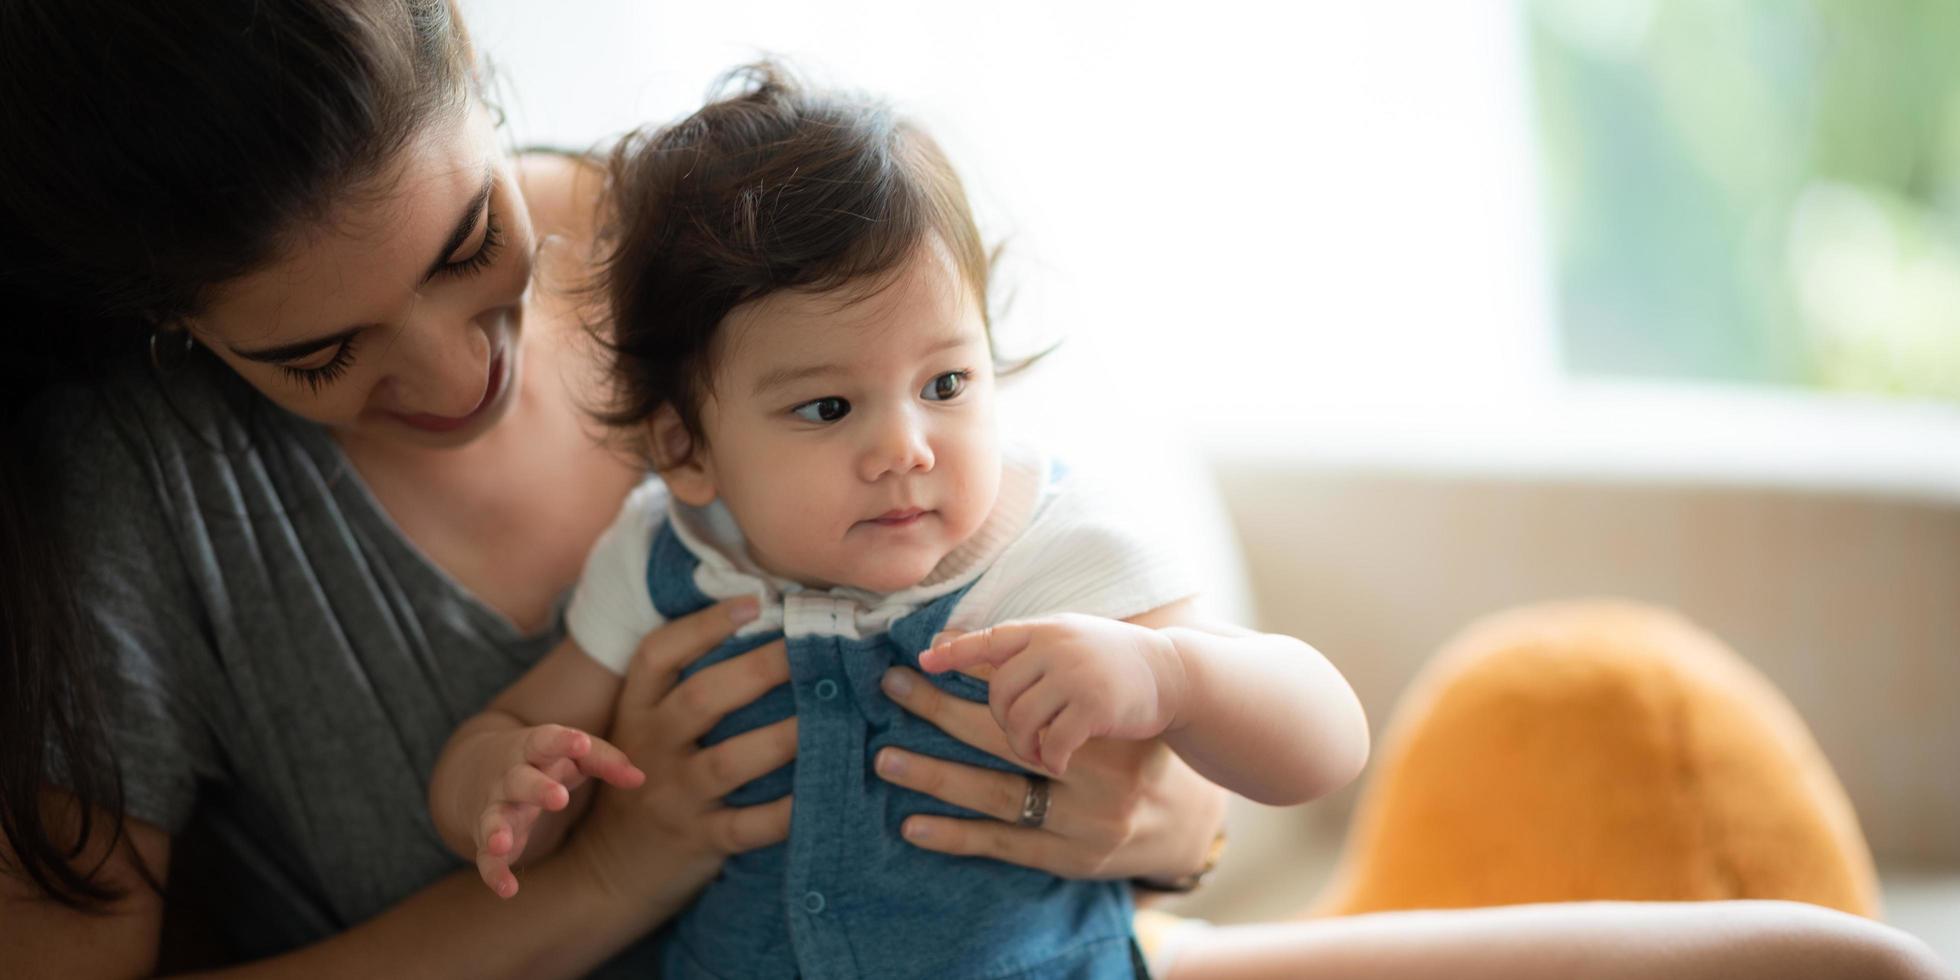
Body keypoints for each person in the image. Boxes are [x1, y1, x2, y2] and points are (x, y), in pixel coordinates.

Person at [0, 2, 1947, 979]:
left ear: (480, 91)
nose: (448, 374)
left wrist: (1147, 781)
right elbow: (508, 750)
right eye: (314, 355)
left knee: (1815, 965)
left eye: (460, 246)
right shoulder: (125, 507)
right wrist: (595, 869)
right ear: (172, 327)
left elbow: (1201, 759)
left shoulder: (754, 256)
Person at [424, 66, 1371, 979]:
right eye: (829, 408)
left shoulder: (1057, 557)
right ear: (687, 451)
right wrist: (499, 784)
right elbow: (512, 725)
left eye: (946, 384)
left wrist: (1173, 677)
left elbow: (1328, 744)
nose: (907, 448)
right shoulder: (668, 559)